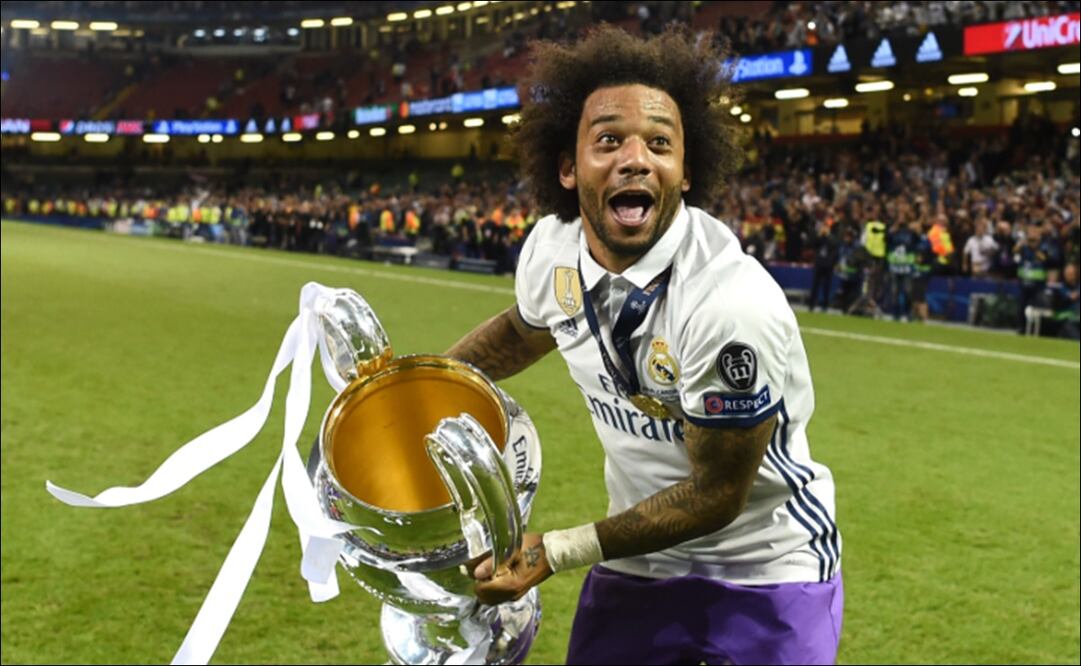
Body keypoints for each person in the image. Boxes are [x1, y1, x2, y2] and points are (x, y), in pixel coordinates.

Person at [445, 26, 842, 665]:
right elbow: (523, 331)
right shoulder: (551, 249)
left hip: (766, 569)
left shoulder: (727, 304)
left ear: (686, 173)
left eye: (660, 143)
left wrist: (557, 550)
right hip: (639, 562)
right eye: (609, 140)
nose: (636, 159)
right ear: (569, 169)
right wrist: (419, 384)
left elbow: (716, 493)